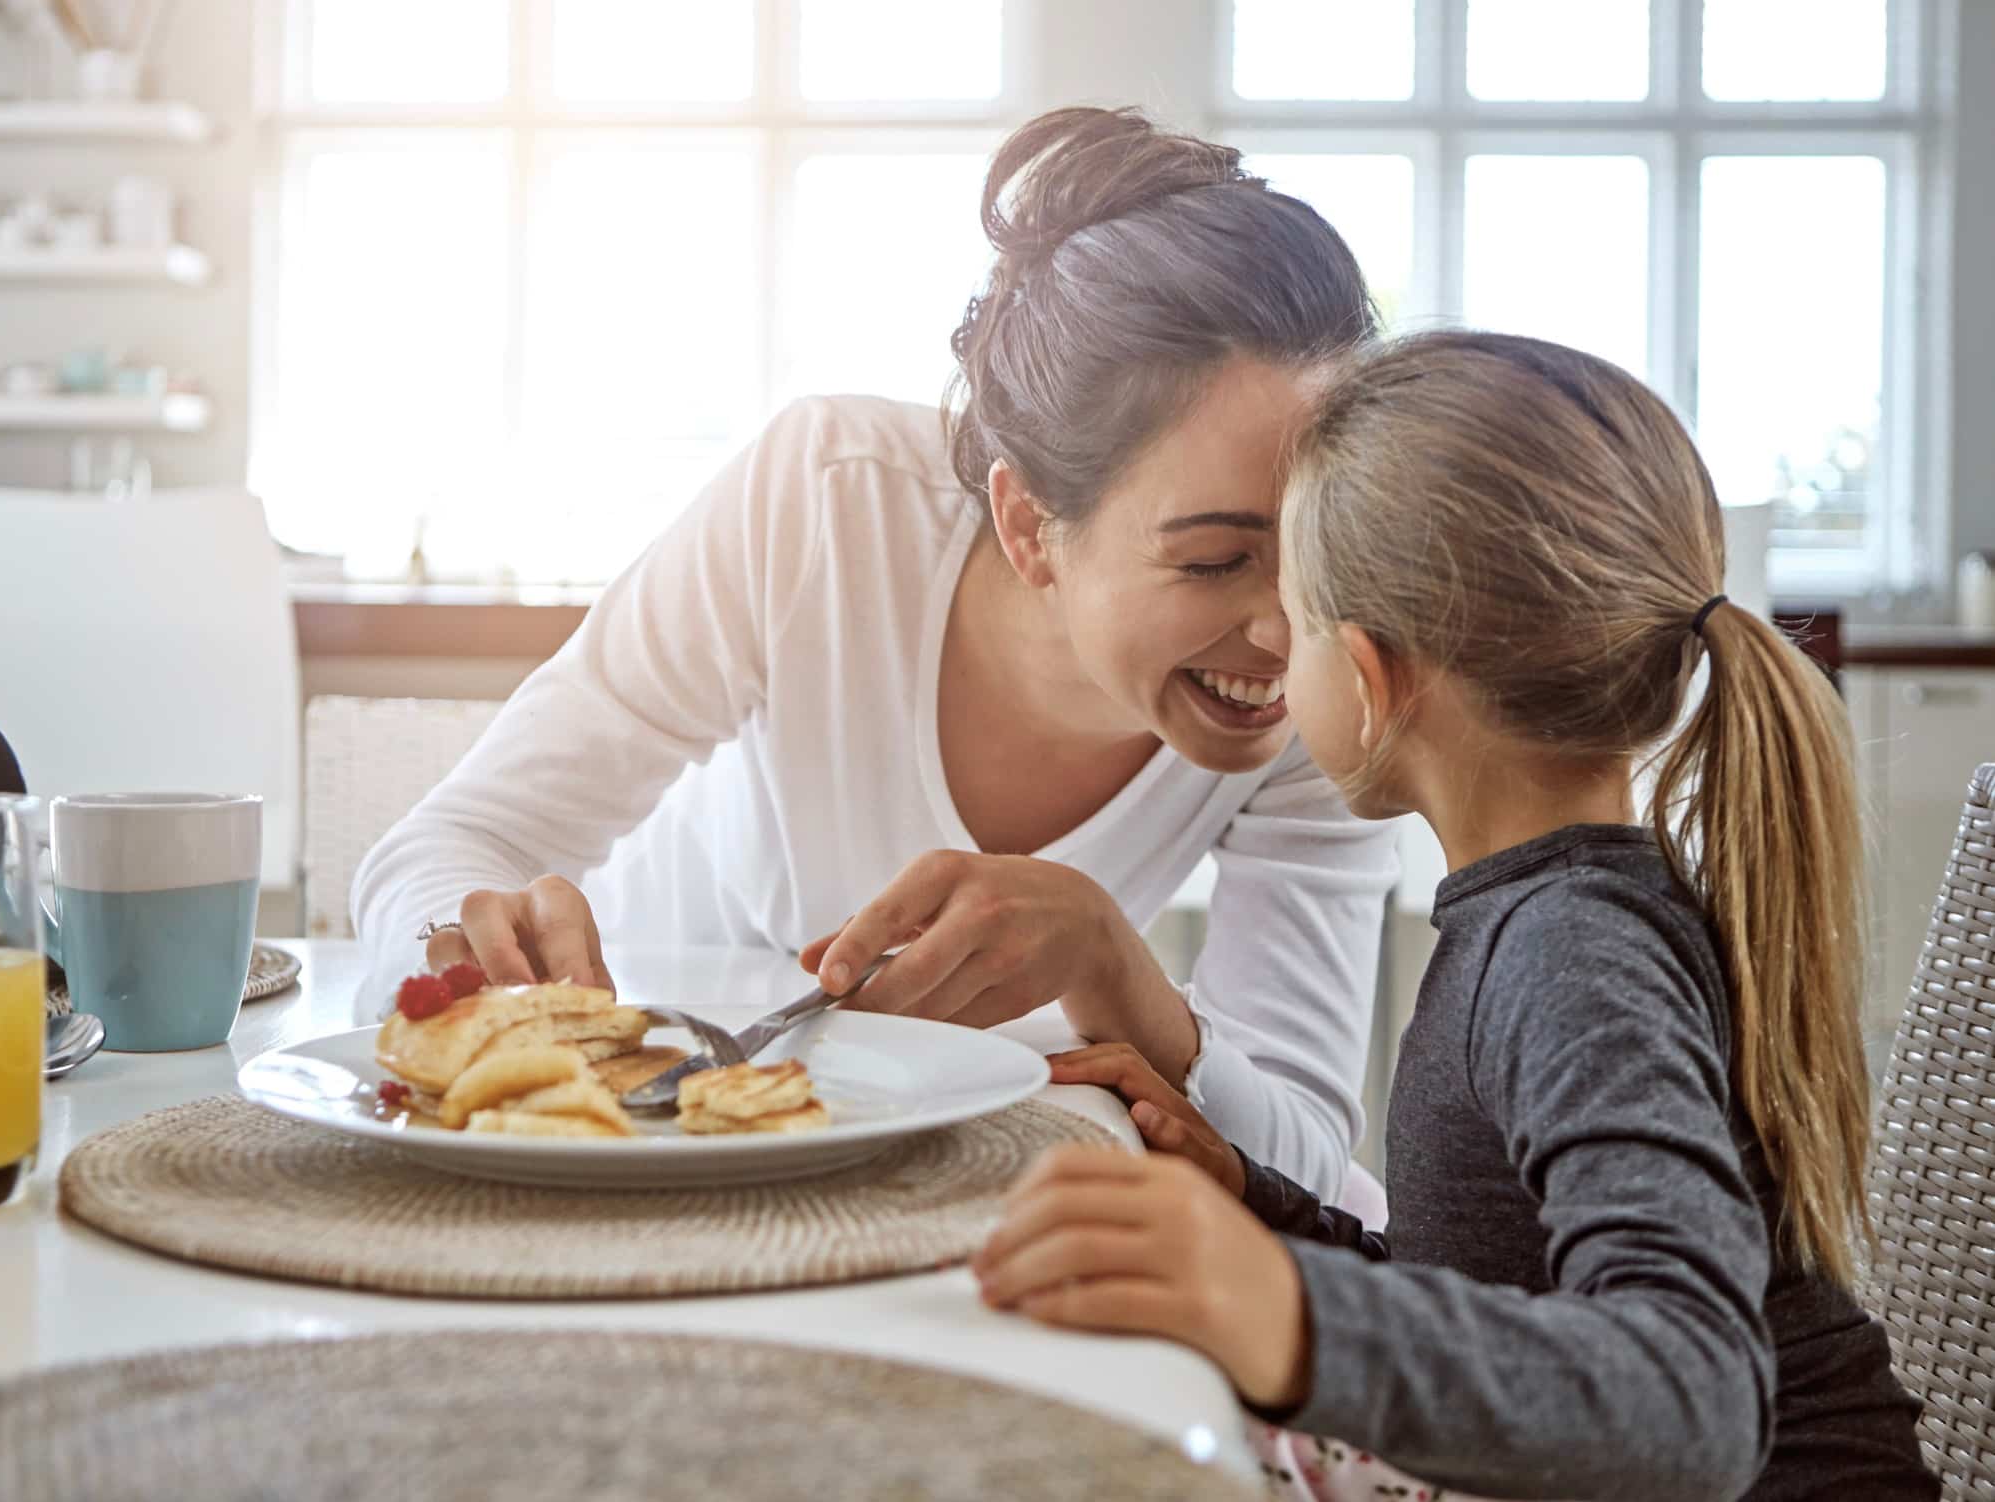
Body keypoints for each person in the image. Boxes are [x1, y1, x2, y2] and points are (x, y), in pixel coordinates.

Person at [350, 106, 1399, 1199]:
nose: (1289, 627)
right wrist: (451, 961)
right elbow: (462, 835)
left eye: (1325, 542)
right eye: (1213, 561)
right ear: (1031, 525)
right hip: (642, 1111)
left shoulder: (1341, 666)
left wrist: (1107, 959)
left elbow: (1307, 1163)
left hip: (943, 1141)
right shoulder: (823, 502)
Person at [976, 330, 1937, 1500]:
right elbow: (1502, 1299)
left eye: (1292, 609)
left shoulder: (1569, 955)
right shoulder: (1547, 917)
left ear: (1373, 677)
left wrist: (1282, 1309)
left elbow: (1693, 1399)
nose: (1270, 645)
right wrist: (1253, 1202)